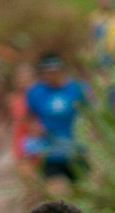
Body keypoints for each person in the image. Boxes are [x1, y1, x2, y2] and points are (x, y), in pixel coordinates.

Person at [26, 54, 89, 194]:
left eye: (53, 71)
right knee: (57, 192)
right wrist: (35, 127)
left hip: (76, 149)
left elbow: (91, 114)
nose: (50, 75)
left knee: (81, 191)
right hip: (51, 151)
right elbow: (30, 116)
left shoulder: (78, 88)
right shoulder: (35, 92)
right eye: (46, 72)